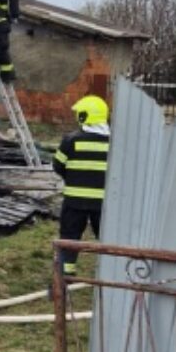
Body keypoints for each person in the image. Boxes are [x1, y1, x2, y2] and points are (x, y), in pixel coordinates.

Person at [52, 95, 110, 276]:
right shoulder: (113, 142)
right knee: (108, 239)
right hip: (103, 204)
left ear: (85, 116)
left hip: (74, 202)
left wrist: (73, 178)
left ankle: (64, 277)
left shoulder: (71, 140)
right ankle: (110, 275)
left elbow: (58, 165)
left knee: (69, 238)